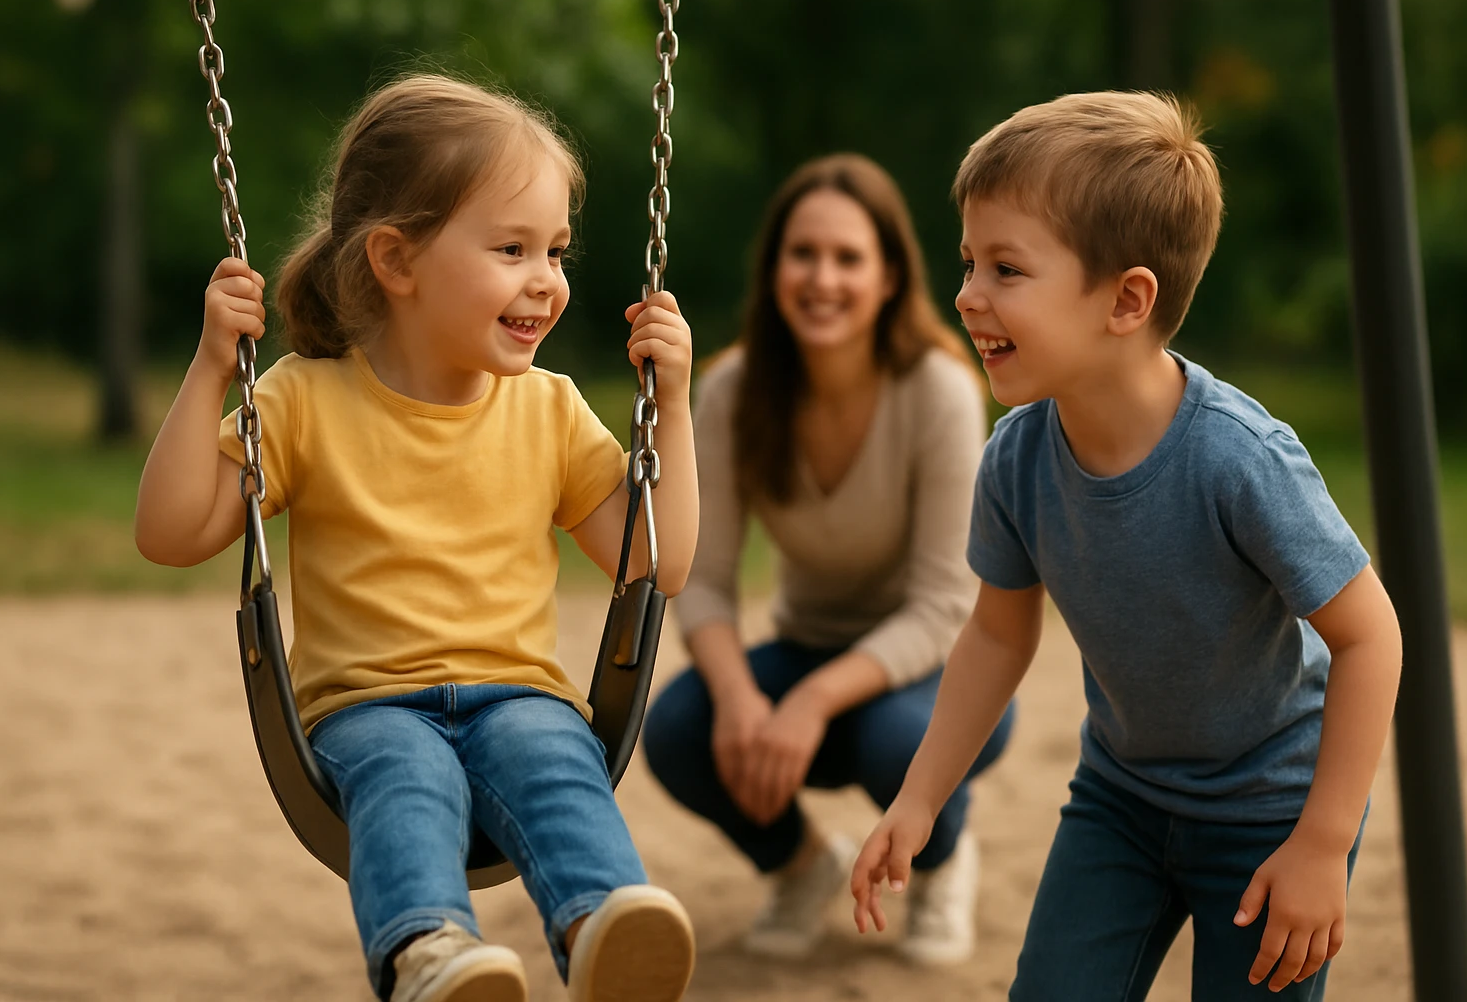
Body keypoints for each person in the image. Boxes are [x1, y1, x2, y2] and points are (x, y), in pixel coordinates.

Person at [134, 75, 699, 1002]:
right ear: (396, 260)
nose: (546, 279)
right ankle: (429, 954)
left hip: (518, 693)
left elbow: (657, 561)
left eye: (554, 249)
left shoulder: (550, 410)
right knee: (407, 778)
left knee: (554, 760)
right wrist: (208, 369)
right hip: (368, 707)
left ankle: (606, 926)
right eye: (511, 248)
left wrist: (670, 408)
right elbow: (171, 533)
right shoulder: (304, 399)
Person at [850, 92, 1403, 1001]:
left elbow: (1369, 635)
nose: (966, 295)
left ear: (1127, 300)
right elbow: (995, 636)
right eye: (968, 262)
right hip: (1122, 801)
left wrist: (1322, 843)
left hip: (1273, 813)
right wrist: (918, 801)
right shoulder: (1018, 458)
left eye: (1006, 269)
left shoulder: (1237, 459)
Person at [642, 154, 1014, 966]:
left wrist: (809, 701)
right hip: (809, 646)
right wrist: (741, 699)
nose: (823, 278)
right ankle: (805, 868)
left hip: (939, 676)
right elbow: (698, 578)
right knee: (676, 728)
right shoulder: (734, 391)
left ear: (889, 277)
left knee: (893, 743)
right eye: (802, 254)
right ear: (774, 268)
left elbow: (943, 606)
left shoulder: (939, 390)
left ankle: (945, 862)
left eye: (849, 257)